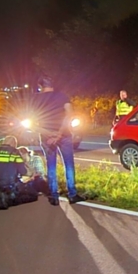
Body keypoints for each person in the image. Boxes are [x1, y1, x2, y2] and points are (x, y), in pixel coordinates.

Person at [34, 76, 85, 206]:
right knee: (68, 164)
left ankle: (54, 196)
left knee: (51, 166)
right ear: (53, 85)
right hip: (64, 135)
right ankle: (72, 194)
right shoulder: (62, 96)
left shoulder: (36, 99)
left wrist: (49, 134)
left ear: (40, 86)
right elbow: (69, 114)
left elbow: (33, 123)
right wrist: (60, 133)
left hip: (47, 138)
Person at [0, 136, 45, 210]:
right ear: (14, 144)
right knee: (32, 195)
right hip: (8, 184)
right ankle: (2, 199)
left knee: (1, 190)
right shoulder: (14, 152)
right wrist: (29, 174)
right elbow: (23, 171)